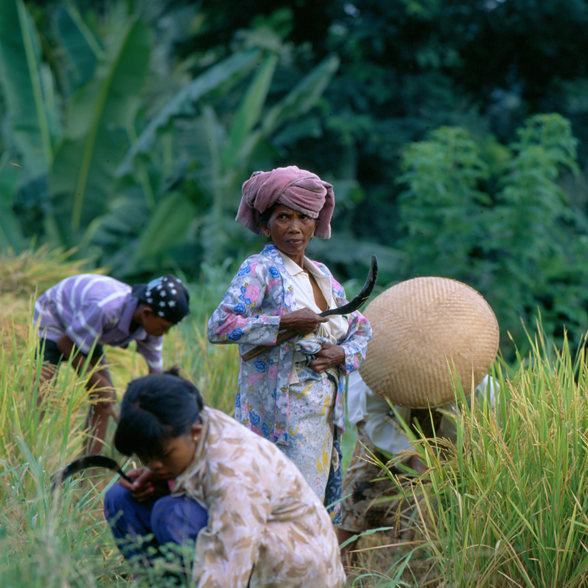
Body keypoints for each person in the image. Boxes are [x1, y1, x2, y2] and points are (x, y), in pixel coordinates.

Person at [206, 165, 372, 521]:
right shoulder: (259, 270)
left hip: (322, 417)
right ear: (266, 226)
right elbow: (219, 326)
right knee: (279, 506)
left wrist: (341, 353)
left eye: (304, 217)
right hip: (276, 417)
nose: (294, 228)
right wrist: (283, 322)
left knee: (309, 509)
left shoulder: (324, 277)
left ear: (315, 224)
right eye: (283, 217)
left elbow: (360, 329)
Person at [103, 368, 346, 587]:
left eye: (163, 455)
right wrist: (164, 477)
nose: (153, 465)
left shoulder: (235, 471)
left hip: (295, 571)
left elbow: (229, 565)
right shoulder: (186, 421)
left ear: (195, 434)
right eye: (145, 456)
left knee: (172, 514)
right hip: (246, 540)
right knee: (121, 498)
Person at [337, 370, 499, 569]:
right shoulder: (386, 373)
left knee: (442, 504)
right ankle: (341, 568)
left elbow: (486, 433)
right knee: (358, 485)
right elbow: (373, 418)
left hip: (450, 441)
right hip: (388, 425)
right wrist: (410, 453)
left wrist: (448, 459)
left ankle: (429, 564)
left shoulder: (478, 387)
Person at [33, 273, 190, 454]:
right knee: (42, 390)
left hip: (86, 328)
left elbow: (155, 378)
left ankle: (86, 471)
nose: (165, 333)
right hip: (56, 314)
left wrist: (151, 418)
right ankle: (26, 455)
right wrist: (97, 381)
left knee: (104, 400)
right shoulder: (107, 309)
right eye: (164, 327)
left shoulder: (153, 330)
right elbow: (65, 344)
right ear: (147, 313)